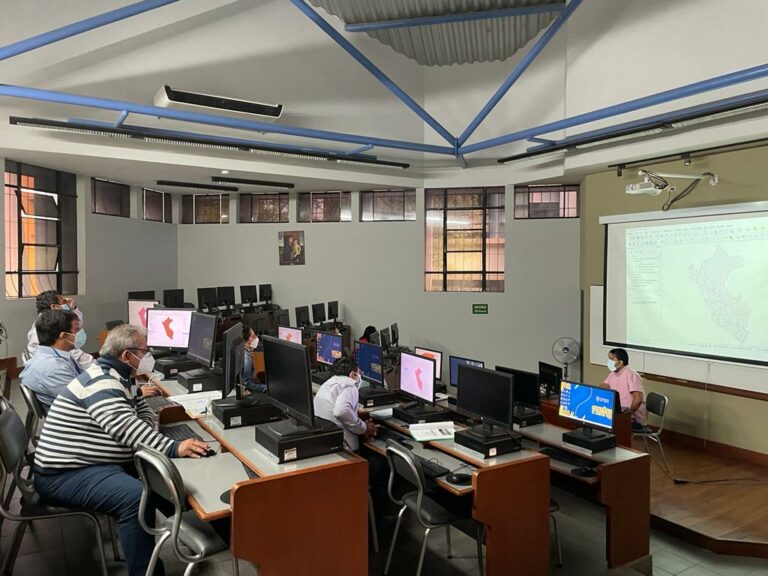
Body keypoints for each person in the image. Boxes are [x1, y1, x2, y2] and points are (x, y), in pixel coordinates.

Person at [33, 324, 211, 576]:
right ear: (127, 355)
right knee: (135, 497)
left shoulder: (119, 376)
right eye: (145, 351)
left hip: (87, 462)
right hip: (63, 474)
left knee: (158, 476)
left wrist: (145, 424)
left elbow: (143, 412)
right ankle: (146, 572)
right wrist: (174, 447)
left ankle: (201, 531)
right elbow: (127, 429)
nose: (148, 356)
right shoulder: (102, 383)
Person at [20, 309, 84, 412]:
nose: (80, 334)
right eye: (76, 330)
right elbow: (82, 398)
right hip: (73, 417)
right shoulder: (53, 368)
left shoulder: (55, 354)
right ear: (63, 336)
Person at [313, 356, 376, 452]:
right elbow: (341, 411)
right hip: (343, 446)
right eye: (359, 373)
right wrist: (364, 428)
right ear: (353, 374)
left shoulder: (327, 384)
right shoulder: (350, 386)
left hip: (323, 442)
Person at [26, 290, 94, 370]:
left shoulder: (48, 322)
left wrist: (73, 308)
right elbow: (73, 354)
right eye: (63, 302)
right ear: (55, 307)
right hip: (54, 367)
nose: (66, 305)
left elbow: (76, 325)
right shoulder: (48, 328)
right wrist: (96, 365)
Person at [603, 348, 646, 429]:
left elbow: (638, 399)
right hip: (618, 413)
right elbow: (604, 386)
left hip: (632, 417)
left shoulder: (631, 374)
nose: (609, 362)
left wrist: (628, 414)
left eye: (612, 359)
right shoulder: (613, 374)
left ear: (620, 362)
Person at [242, 324, 266, 393]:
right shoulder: (246, 359)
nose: (256, 338)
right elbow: (248, 385)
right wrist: (267, 388)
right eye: (253, 336)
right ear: (245, 342)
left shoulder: (243, 353)